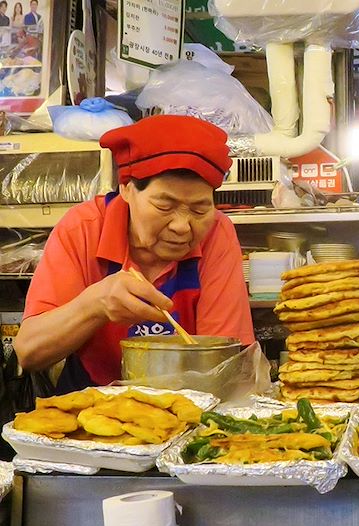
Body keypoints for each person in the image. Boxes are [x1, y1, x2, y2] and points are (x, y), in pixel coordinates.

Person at [13, 115, 255, 393]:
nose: (181, 226)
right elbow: (29, 353)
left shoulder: (217, 233)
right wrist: (95, 305)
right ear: (126, 189)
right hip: (91, 401)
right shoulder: (83, 229)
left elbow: (223, 361)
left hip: (191, 399)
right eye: (165, 206)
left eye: (199, 210)